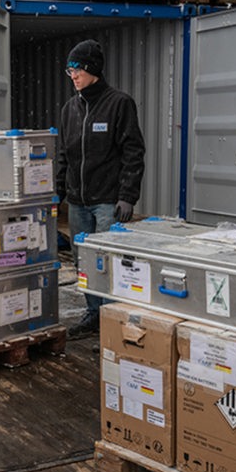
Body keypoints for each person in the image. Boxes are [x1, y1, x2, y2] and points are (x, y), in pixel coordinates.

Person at [57, 39, 145, 338]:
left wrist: (127, 196)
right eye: (68, 71)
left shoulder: (119, 104)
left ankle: (113, 322)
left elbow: (133, 151)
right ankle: (94, 315)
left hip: (107, 201)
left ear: (92, 68)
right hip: (78, 202)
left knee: (108, 263)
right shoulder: (70, 109)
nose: (72, 75)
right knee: (84, 261)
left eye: (76, 69)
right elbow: (63, 156)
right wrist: (58, 194)